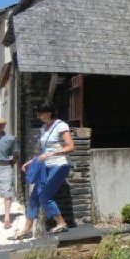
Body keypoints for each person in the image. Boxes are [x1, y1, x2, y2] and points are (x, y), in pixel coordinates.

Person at [12, 102, 75, 240]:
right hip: (45, 166)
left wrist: (51, 155)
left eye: (40, 112)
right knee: (34, 196)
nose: (38, 115)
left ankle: (61, 222)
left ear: (49, 113)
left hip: (59, 166)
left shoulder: (61, 125)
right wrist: (32, 161)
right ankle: (27, 229)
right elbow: (44, 151)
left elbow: (70, 147)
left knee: (44, 196)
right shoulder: (44, 128)